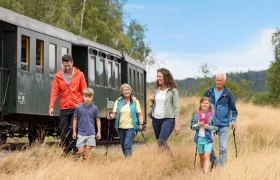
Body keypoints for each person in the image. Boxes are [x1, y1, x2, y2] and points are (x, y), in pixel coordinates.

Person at [49, 54, 87, 154]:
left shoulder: (80, 75)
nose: (67, 67)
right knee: (64, 132)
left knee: (74, 131)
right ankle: (67, 150)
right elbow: (54, 92)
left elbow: (84, 91)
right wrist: (51, 106)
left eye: (69, 65)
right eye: (65, 66)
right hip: (64, 107)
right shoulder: (58, 76)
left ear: (72, 63)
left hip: (77, 107)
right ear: (63, 64)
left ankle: (74, 152)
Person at [204, 72, 238, 167]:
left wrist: (233, 120)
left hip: (223, 124)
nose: (218, 82)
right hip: (210, 124)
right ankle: (216, 163)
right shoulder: (209, 92)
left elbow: (234, 110)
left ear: (224, 81)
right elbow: (202, 106)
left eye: (220, 80)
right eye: (217, 80)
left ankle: (221, 171)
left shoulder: (228, 94)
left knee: (223, 148)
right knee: (208, 146)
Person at [107, 83, 143, 157]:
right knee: (123, 147)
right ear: (121, 92)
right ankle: (127, 161)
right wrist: (110, 116)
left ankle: (129, 163)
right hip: (120, 128)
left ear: (130, 90)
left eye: (128, 90)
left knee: (127, 145)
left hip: (131, 127)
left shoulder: (135, 101)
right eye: (124, 90)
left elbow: (140, 114)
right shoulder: (118, 101)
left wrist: (141, 124)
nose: (126, 91)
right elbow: (114, 114)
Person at [149, 68, 180, 151]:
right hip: (155, 119)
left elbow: (176, 108)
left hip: (168, 119)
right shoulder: (156, 90)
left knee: (161, 141)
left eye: (160, 76)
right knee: (160, 143)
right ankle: (166, 162)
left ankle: (171, 161)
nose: (158, 78)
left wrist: (177, 125)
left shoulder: (173, 91)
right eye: (157, 76)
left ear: (165, 77)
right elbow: (154, 105)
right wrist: (152, 101)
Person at [190, 97, 218, 174]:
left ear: (209, 105)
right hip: (199, 139)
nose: (204, 104)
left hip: (208, 139)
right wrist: (198, 125)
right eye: (203, 103)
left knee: (207, 157)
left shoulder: (212, 116)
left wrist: (209, 127)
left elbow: (216, 127)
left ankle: (206, 175)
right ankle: (203, 173)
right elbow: (192, 126)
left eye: (206, 103)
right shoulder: (196, 115)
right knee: (202, 158)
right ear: (200, 104)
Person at [72, 88, 101, 160]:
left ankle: (87, 167)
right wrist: (74, 131)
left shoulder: (95, 108)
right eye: (86, 96)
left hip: (91, 133)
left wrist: (99, 132)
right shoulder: (78, 107)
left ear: (92, 97)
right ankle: (83, 160)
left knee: (87, 152)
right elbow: (75, 119)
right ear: (82, 96)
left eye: (89, 97)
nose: (87, 99)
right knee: (80, 152)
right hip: (81, 133)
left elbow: (98, 120)